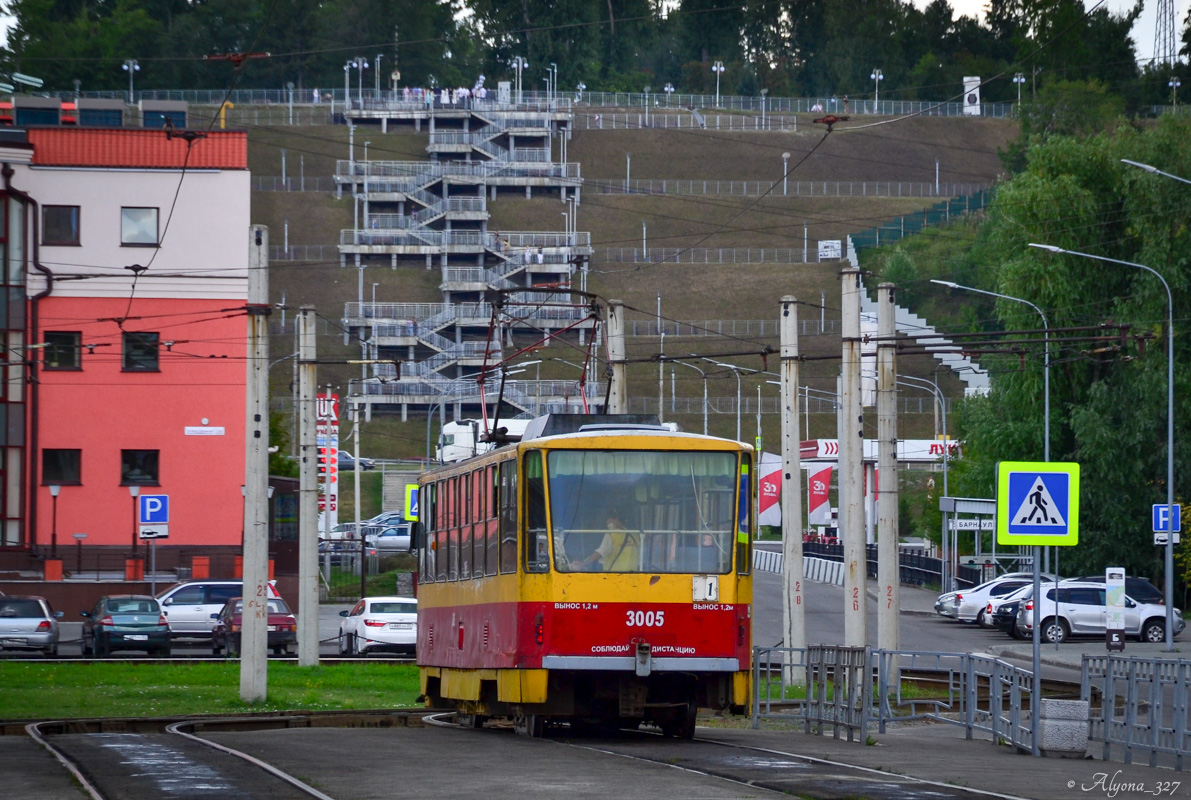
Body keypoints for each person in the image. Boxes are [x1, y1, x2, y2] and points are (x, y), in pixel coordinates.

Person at [574, 509, 639, 571]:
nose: (606, 522)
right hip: (633, 575)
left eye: (608, 519)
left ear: (616, 519)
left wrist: (584, 563)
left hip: (614, 575)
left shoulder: (611, 534)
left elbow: (600, 552)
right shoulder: (635, 535)